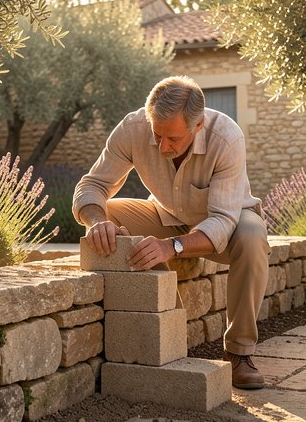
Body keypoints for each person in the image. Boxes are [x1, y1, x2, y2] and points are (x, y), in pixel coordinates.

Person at [73, 75, 269, 389]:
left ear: (198, 126)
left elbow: (221, 220)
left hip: (227, 224)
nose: (163, 146)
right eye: (157, 134)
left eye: (173, 139)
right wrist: (97, 221)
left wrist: (171, 247)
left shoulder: (227, 138)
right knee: (107, 212)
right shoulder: (133, 128)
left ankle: (239, 353)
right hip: (166, 215)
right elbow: (92, 186)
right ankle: (167, 333)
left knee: (253, 236)